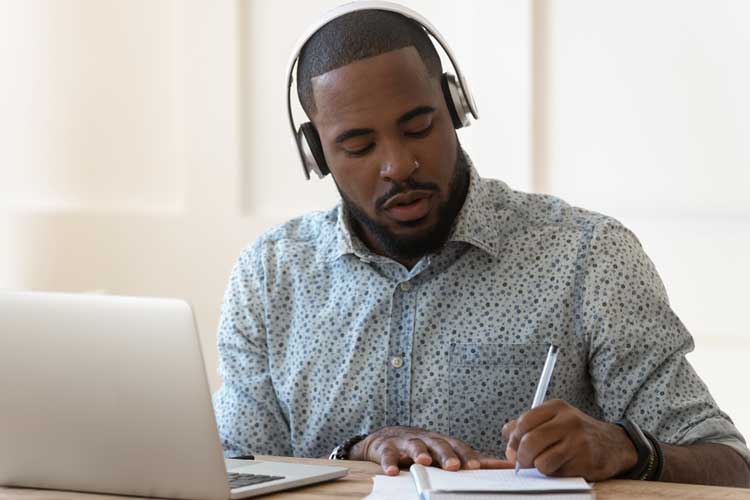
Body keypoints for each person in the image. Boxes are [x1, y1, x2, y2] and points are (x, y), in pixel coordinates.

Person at [212, 3, 750, 487]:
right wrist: (352, 453)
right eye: (357, 145)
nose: (398, 165)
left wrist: (627, 449)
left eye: (419, 126)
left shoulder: (588, 256)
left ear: (454, 105)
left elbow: (729, 468)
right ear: (317, 154)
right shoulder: (270, 276)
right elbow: (232, 468)